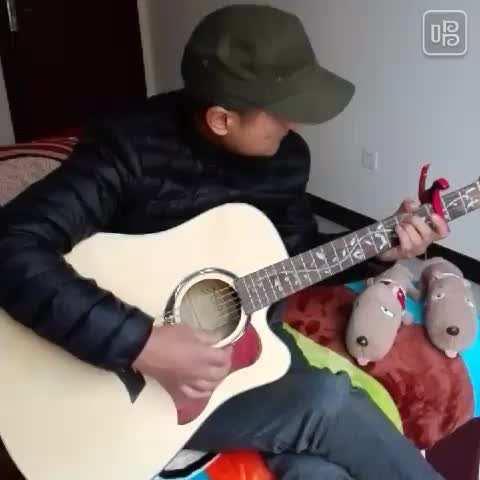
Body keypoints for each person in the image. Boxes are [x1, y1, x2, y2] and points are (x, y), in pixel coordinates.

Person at [0, 5, 448, 480]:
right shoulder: (127, 147)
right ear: (221, 119)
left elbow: (293, 258)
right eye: (281, 113)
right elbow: (13, 244)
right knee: (329, 401)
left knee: (317, 472)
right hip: (128, 388)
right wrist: (141, 343)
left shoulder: (287, 158)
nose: (295, 125)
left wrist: (381, 249)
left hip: (249, 349)